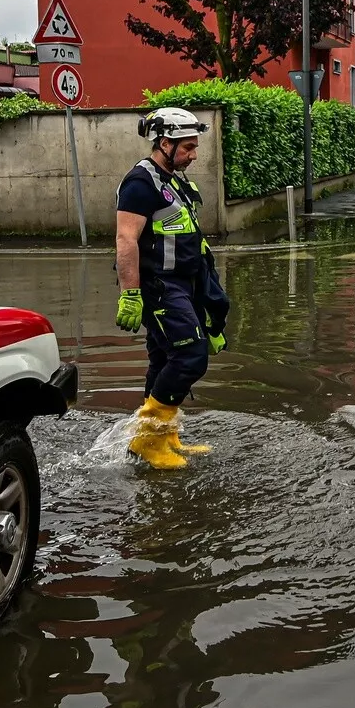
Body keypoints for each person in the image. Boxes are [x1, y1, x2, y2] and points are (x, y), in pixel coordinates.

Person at [113, 107, 230, 469]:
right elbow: (126, 240)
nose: (194, 155)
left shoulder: (175, 181)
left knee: (163, 358)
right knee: (191, 356)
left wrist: (211, 298)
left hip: (184, 284)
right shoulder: (140, 184)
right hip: (159, 287)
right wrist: (130, 293)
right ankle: (148, 440)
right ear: (165, 143)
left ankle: (164, 435)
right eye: (188, 147)